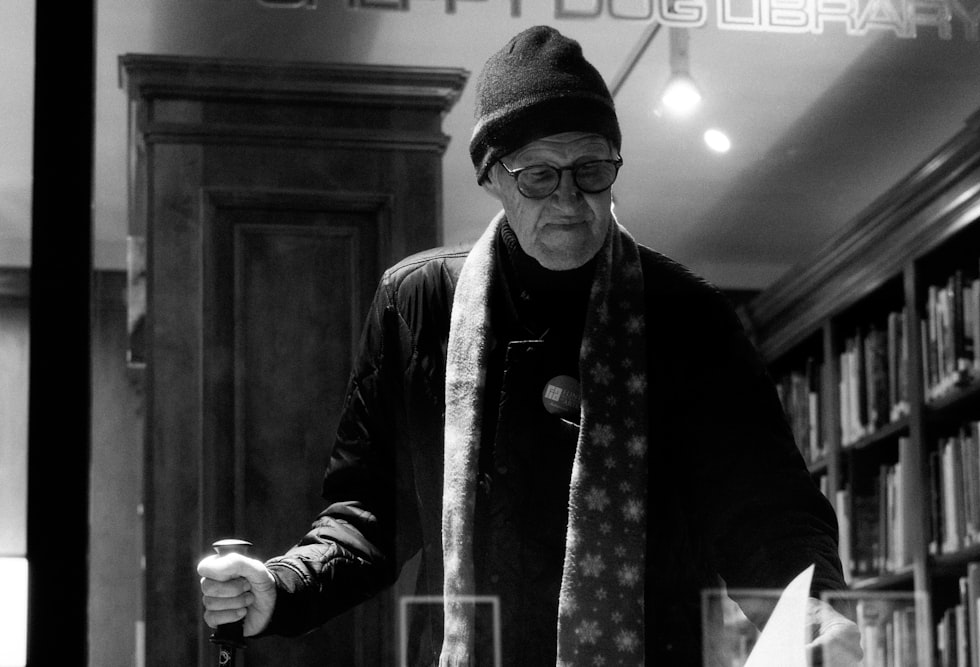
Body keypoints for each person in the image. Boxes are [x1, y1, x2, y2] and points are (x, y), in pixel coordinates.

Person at [199, 25, 862, 666]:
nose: (571, 198)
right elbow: (370, 512)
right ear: (492, 176)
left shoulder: (690, 317)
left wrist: (813, 610)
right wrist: (283, 585)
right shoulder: (419, 304)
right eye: (540, 175)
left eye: (592, 169)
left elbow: (765, 513)